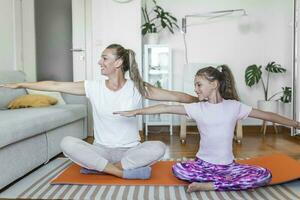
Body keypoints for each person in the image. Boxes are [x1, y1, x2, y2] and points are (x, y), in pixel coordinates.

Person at [0, 44, 198, 180]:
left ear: (118, 63)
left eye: (104, 58)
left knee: (158, 147)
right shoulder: (93, 86)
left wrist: (200, 100)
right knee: (66, 143)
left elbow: (175, 96)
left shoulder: (137, 87)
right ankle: (120, 172)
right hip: (100, 148)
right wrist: (21, 83)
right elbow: (55, 84)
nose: (99, 62)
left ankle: (103, 168)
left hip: (130, 150)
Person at [114, 65, 300, 191]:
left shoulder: (234, 106)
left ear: (214, 84)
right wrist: (136, 112)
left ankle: (210, 186)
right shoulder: (197, 108)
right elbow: (165, 107)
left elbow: (267, 115)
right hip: (202, 166)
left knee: (263, 175)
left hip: (228, 167)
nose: (195, 89)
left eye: (199, 84)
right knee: (178, 169)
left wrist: (295, 124)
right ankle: (219, 183)